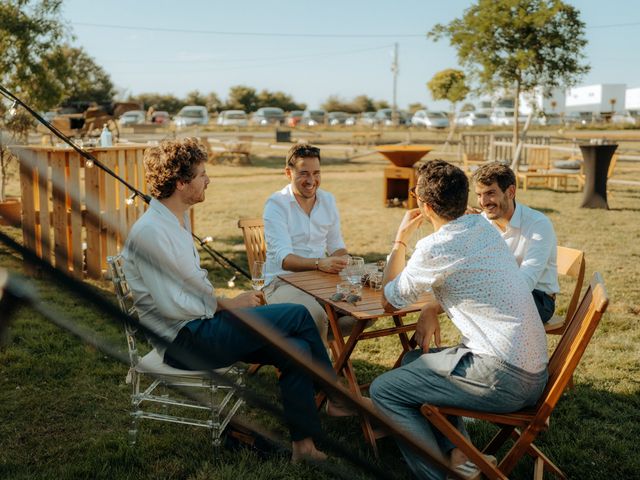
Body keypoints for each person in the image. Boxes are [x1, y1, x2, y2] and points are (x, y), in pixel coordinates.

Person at [121, 138, 349, 463]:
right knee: (298, 315)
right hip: (184, 341)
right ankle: (336, 394)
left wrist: (224, 303)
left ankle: (305, 447)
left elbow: (191, 290)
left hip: (204, 326)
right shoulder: (152, 232)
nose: (208, 180)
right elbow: (173, 305)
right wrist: (229, 304)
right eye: (202, 175)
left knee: (295, 349)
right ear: (181, 182)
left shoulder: (174, 221)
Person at [369, 160, 548, 480]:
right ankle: (459, 455)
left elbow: (388, 299)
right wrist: (428, 309)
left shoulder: (435, 246)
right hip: (534, 371)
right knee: (414, 358)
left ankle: (437, 475)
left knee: (384, 391)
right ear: (464, 197)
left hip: (504, 377)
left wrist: (400, 240)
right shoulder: (482, 225)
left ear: (424, 206)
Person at [262, 143, 352, 342]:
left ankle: (308, 341)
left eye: (316, 173)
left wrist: (344, 259)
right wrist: (320, 263)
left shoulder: (328, 200)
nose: (311, 180)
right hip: (281, 282)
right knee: (316, 316)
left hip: (320, 281)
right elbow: (285, 260)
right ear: (288, 173)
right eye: (304, 173)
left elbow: (336, 245)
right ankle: (318, 366)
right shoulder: (276, 204)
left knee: (361, 307)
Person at [472, 162, 559, 323]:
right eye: (479, 195)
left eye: (490, 193)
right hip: (497, 292)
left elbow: (525, 283)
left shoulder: (538, 224)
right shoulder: (480, 223)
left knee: (478, 308)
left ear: (510, 192)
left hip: (537, 298)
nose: (483, 202)